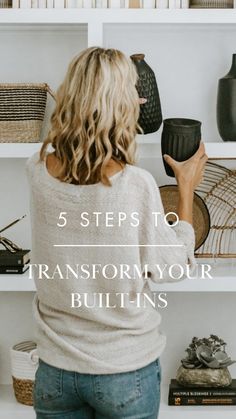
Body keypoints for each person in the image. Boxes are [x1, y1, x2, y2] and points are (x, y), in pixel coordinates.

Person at [26, 47, 208, 419]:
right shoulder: (134, 184)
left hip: (55, 371)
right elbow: (172, 268)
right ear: (122, 104)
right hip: (124, 372)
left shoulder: (37, 169)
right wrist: (185, 187)